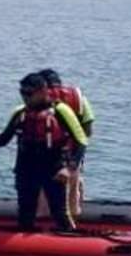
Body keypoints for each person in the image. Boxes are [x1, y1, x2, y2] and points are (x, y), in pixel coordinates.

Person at [0, 72, 87, 232]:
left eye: (29, 93)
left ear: (43, 91)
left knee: (59, 213)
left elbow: (81, 142)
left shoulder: (61, 111)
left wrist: (69, 168)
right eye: (22, 93)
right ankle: (25, 244)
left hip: (53, 170)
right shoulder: (21, 113)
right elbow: (5, 136)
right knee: (25, 212)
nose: (25, 97)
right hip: (26, 170)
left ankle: (70, 239)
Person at [37, 68, 94, 215]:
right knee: (74, 190)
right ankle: (76, 222)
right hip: (74, 155)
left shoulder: (39, 100)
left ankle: (46, 229)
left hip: (47, 157)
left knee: (44, 198)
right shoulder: (80, 99)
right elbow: (88, 131)